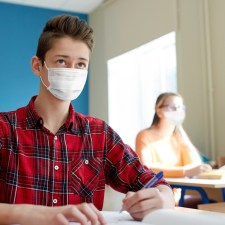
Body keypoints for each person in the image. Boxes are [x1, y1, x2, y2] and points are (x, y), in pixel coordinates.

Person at [0, 15, 175, 225]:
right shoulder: (5, 130)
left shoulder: (99, 134)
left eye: (81, 64)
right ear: (38, 66)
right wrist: (43, 216)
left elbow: (156, 184)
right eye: (62, 61)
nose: (72, 71)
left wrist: (163, 198)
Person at [135, 92, 212, 206]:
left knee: (213, 204)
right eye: (173, 107)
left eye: (181, 107)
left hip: (178, 194)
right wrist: (185, 171)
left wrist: (181, 132)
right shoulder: (144, 135)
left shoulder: (178, 137)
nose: (178, 111)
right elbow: (147, 168)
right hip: (156, 196)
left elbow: (195, 165)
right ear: (159, 111)